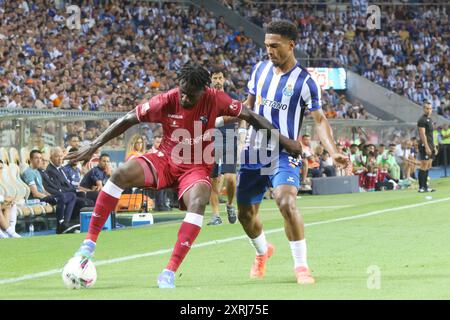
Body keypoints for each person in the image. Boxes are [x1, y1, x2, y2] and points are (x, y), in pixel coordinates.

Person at [64, 63, 302, 289]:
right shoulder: (166, 100)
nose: (185, 98)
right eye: (183, 92)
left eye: (191, 95)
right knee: (119, 174)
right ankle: (89, 244)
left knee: (199, 199)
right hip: (165, 159)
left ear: (204, 91)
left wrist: (283, 141)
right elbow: (127, 119)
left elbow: (250, 116)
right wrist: (94, 146)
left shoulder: (215, 98)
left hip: (196, 167)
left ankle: (168, 272)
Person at [236, 20, 348, 285]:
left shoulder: (305, 82)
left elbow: (319, 120)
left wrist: (334, 151)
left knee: (286, 201)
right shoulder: (259, 70)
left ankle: (301, 268)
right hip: (253, 153)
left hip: (284, 152)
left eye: (274, 46)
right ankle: (263, 252)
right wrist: (238, 136)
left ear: (291, 45)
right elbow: (248, 107)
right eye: (266, 46)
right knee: (245, 214)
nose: (269, 51)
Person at [208, 66, 238, 225]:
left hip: (229, 137)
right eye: (215, 78)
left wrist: (242, 132)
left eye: (220, 78)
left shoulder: (231, 97)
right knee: (212, 180)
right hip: (210, 140)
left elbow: (242, 114)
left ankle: (230, 204)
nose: (218, 81)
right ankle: (215, 216)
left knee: (230, 179)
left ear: (224, 79)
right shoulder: (205, 98)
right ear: (211, 80)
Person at [21, 150, 78, 234]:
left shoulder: (36, 172)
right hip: (35, 199)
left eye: (40, 158)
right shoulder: (29, 173)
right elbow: (35, 193)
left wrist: (52, 196)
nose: (39, 160)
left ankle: (65, 223)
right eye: (36, 158)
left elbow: (43, 190)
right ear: (31, 160)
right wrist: (51, 198)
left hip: (43, 196)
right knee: (61, 197)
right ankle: (60, 225)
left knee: (72, 196)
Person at [417, 101, 436, 192]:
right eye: (427, 108)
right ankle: (421, 187)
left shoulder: (430, 120)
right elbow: (422, 135)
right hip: (425, 145)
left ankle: (426, 186)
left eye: (430, 108)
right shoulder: (422, 120)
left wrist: (434, 146)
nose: (428, 110)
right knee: (423, 165)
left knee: (428, 166)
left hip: (431, 145)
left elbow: (431, 134)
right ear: (423, 109)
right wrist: (427, 147)